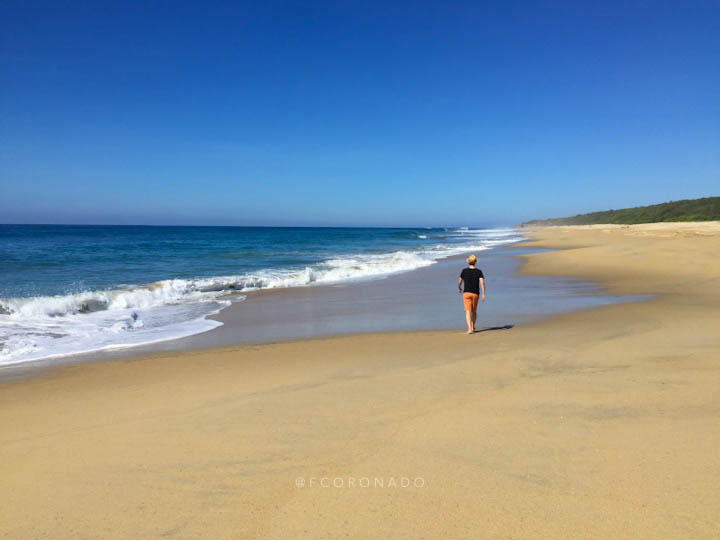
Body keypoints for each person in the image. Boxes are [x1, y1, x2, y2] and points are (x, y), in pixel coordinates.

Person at [458, 254, 485, 334]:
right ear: (475, 262)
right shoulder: (479, 271)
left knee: (467, 311)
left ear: (468, 262)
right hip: (475, 293)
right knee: (474, 311)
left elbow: (460, 280)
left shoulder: (464, 271)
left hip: (466, 293)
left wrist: (459, 287)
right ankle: (473, 326)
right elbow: (482, 283)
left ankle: (470, 329)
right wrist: (483, 293)